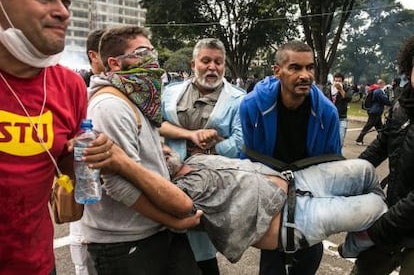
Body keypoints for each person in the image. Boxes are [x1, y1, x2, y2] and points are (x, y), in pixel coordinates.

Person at [0, 0, 113, 274]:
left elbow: (64, 166)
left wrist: (84, 153)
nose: (62, 12)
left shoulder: (69, 86)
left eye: (66, 1)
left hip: (38, 265)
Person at [81, 25, 202, 275]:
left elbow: (146, 156)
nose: (152, 59)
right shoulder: (111, 106)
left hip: (154, 232)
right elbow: (116, 184)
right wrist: (174, 220)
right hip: (124, 242)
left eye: (152, 51)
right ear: (114, 63)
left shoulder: (137, 97)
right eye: (141, 53)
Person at [161, 148, 387, 264]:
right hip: (292, 220)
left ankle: (362, 232)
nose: (162, 150)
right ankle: (354, 246)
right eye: (155, 154)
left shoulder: (194, 159)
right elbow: (176, 211)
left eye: (160, 145)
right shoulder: (176, 194)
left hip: (296, 180)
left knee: (366, 170)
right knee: (377, 207)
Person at [240, 40, 341, 275]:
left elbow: (332, 166)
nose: (305, 75)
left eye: (310, 68)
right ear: (277, 71)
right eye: (295, 68)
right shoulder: (251, 106)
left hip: (311, 191)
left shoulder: (328, 113)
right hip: (270, 189)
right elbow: (248, 157)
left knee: (309, 255)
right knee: (272, 263)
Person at [160, 37, 245, 274]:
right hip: (168, 176)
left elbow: (241, 141)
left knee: (201, 245)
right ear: (193, 64)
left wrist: (212, 149)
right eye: (205, 61)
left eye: (218, 62)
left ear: (224, 66)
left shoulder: (238, 98)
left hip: (209, 181)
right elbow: (157, 123)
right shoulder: (171, 92)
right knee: (167, 239)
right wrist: (191, 135)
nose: (212, 67)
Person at [349, 35, 414, 275]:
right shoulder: (401, 107)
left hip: (397, 223)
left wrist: (380, 228)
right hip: (394, 217)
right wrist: (348, 176)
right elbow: (380, 145)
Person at [70, 28, 107, 275]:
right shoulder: (82, 96)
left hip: (113, 216)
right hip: (88, 203)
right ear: (93, 56)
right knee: (85, 264)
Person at [355, 79, 392, 145]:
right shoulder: (378, 91)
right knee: (369, 126)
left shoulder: (374, 90)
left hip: (373, 110)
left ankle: (384, 140)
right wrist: (391, 103)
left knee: (379, 127)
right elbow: (384, 99)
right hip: (376, 111)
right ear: (382, 84)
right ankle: (359, 139)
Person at [323, 72, 353, 148]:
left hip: (341, 118)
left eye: (339, 81)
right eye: (335, 80)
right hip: (329, 118)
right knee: (326, 140)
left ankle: (337, 156)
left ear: (342, 81)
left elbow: (348, 99)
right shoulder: (327, 88)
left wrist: (340, 90)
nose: (337, 82)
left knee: (340, 139)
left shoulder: (346, 88)